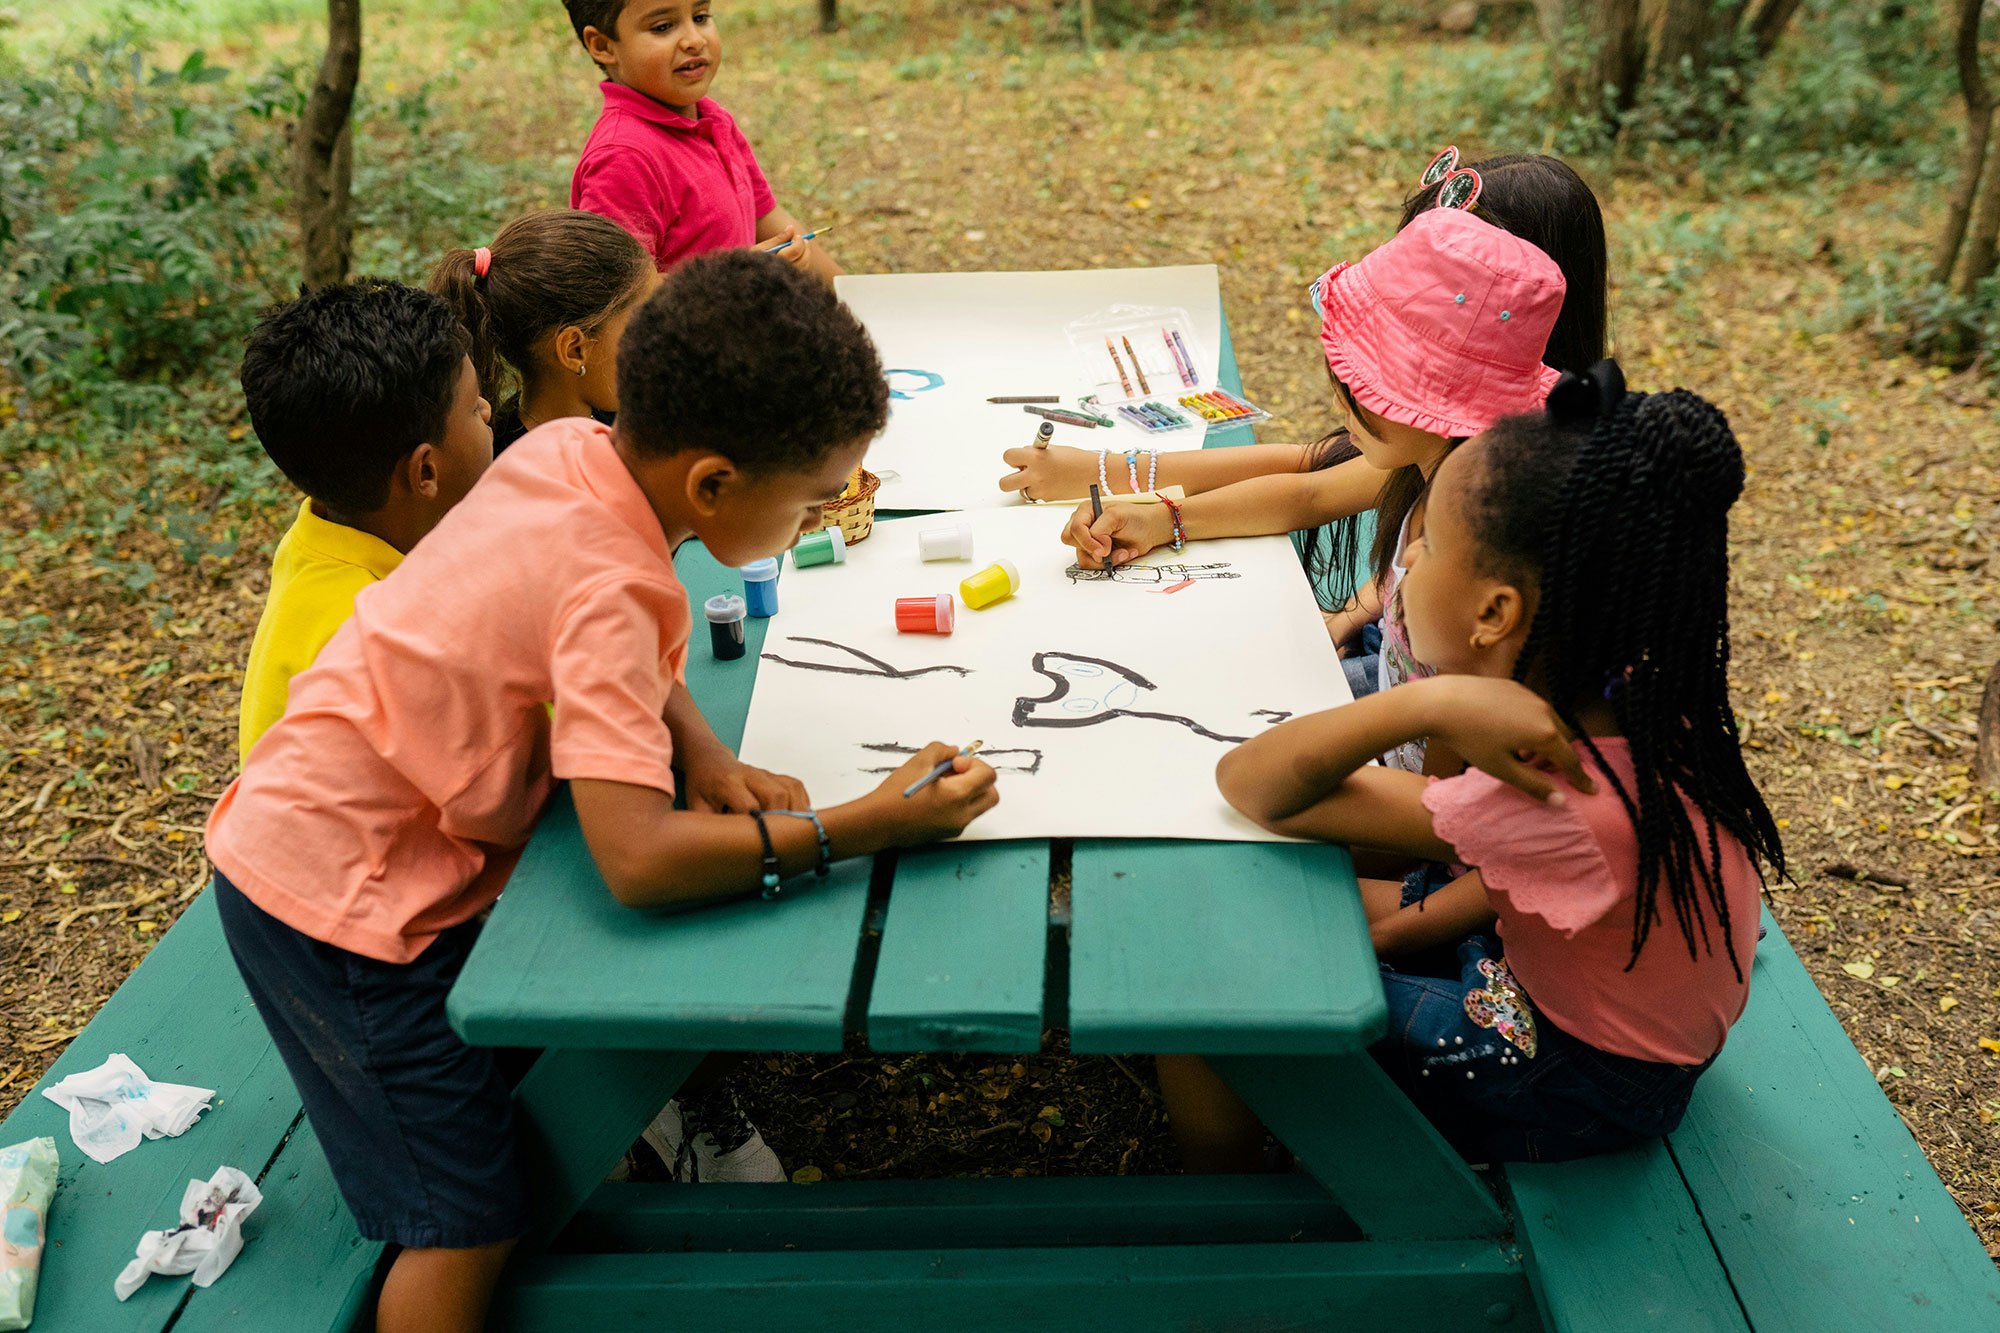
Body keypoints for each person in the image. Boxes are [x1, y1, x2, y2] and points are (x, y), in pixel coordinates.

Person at [203, 251, 997, 1333]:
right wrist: (861, 827)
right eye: (817, 498)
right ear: (714, 484)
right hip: (334, 902)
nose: (828, 512)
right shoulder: (613, 580)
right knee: (465, 1218)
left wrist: (706, 755)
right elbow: (635, 861)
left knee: (531, 1094)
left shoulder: (577, 446)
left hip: (371, 829)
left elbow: (610, 645)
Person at [1189, 361, 1784, 1169]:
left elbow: (1252, 783)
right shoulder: (1632, 696)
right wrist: (1406, 922)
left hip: (1576, 1073)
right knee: (1280, 901)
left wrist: (1425, 703)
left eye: (1426, 544)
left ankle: (1231, 1194)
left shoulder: (1556, 787)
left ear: (1495, 613)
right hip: (1588, 984)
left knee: (1206, 998)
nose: (1405, 563)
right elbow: (1514, 872)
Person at [1065, 205, 1566, 770]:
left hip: (1417, 774)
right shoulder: (1441, 464)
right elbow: (1309, 496)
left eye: (1358, 387)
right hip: (1392, 705)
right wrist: (1161, 520)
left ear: (1425, 407)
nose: (1338, 404)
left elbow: (1435, 809)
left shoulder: (1483, 530)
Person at [998, 152, 1605, 506]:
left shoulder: (1504, 483)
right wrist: (1103, 473)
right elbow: (1312, 469)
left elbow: (1310, 489)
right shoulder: (1441, 439)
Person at [235, 280, 493, 763]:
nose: (488, 410)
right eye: (473, 406)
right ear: (425, 471)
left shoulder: (320, 536)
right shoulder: (387, 646)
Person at [563, 0, 842, 281]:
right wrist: (731, 277)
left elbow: (767, 219)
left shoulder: (714, 120)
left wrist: (854, 302)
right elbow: (620, 297)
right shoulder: (623, 158)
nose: (695, 40)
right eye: (663, 27)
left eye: (700, 17)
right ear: (603, 45)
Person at [430, 208, 658, 453]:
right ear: (575, 349)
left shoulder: (622, 415)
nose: (656, 338)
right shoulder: (518, 471)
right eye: (641, 324)